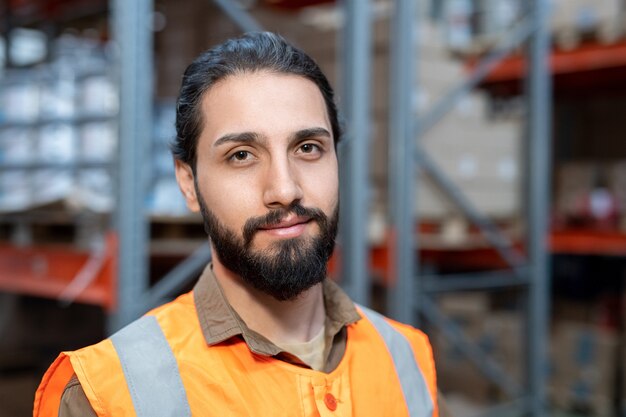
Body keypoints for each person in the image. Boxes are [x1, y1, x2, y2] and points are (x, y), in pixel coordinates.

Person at [34, 32, 439, 417]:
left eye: (308, 148)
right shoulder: (106, 394)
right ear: (188, 183)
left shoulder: (406, 355)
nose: (284, 188)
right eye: (242, 155)